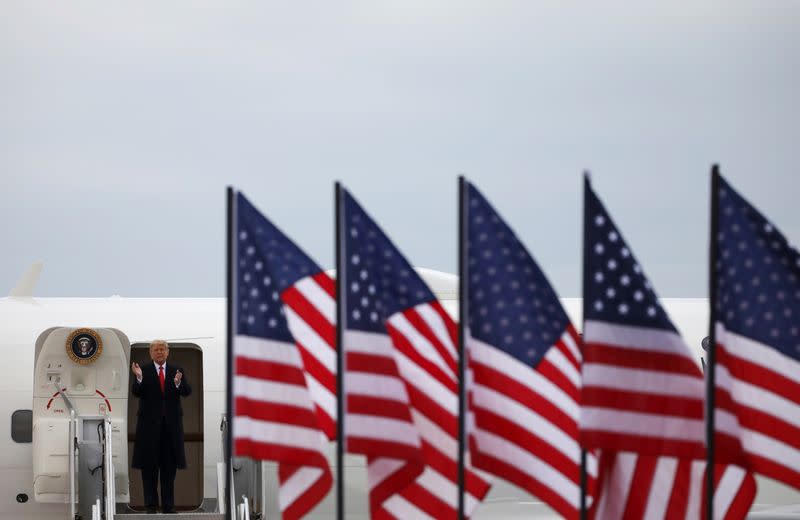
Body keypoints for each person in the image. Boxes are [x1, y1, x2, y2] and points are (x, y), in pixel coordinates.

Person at [130, 340, 191, 514]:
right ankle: (150, 506)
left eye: (162, 349)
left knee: (168, 470)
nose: (159, 352)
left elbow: (187, 391)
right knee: (149, 469)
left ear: (167, 352)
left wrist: (178, 383)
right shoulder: (144, 370)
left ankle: (168, 506)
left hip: (170, 430)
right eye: (156, 349)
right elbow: (136, 392)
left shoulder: (176, 370)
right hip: (149, 430)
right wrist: (139, 377)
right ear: (151, 353)